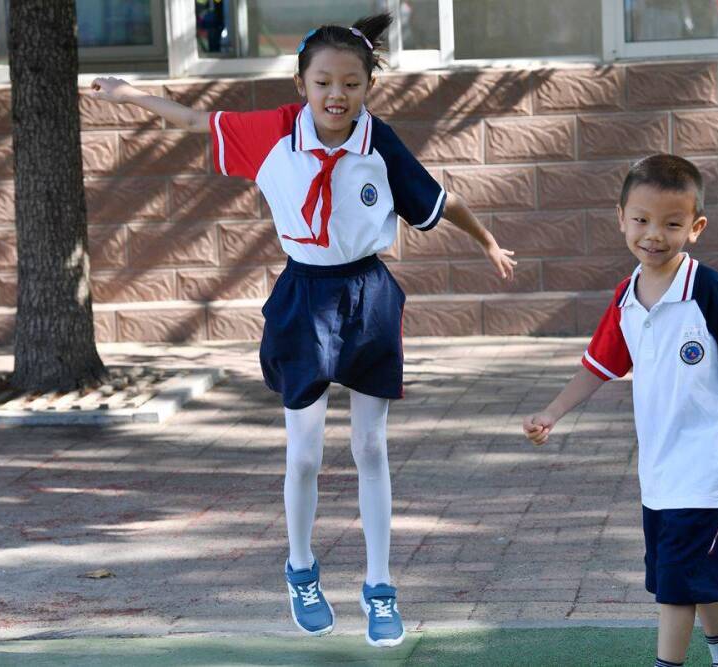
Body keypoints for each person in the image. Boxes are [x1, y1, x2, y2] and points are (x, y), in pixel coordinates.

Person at [90, 12, 516, 649]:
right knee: (306, 454)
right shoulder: (272, 135)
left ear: (369, 85)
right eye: (323, 83)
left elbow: (437, 200)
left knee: (371, 449)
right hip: (304, 296)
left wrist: (488, 242)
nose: (336, 95)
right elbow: (193, 119)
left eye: (351, 83)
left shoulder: (379, 142)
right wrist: (128, 94)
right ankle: (300, 571)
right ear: (302, 84)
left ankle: (379, 588)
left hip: (368, 294)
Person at [523, 154, 718, 667]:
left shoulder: (706, 290)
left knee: (676, 587)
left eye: (672, 224)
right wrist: (553, 412)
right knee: (697, 576)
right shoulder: (626, 296)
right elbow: (598, 365)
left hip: (706, 469)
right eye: (642, 220)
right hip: (659, 471)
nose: (654, 234)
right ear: (621, 218)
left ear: (695, 228)